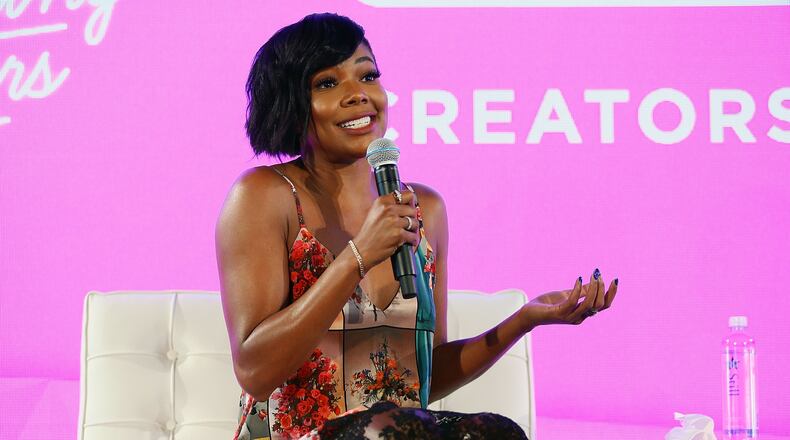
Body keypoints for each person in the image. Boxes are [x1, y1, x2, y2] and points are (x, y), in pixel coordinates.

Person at [215, 12, 618, 440]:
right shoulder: (263, 195)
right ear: (292, 104)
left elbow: (425, 378)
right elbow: (254, 371)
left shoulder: (424, 208)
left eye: (367, 76)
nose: (358, 95)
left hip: (400, 432)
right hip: (298, 435)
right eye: (328, 84)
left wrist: (524, 319)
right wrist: (358, 257)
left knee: (494, 433)